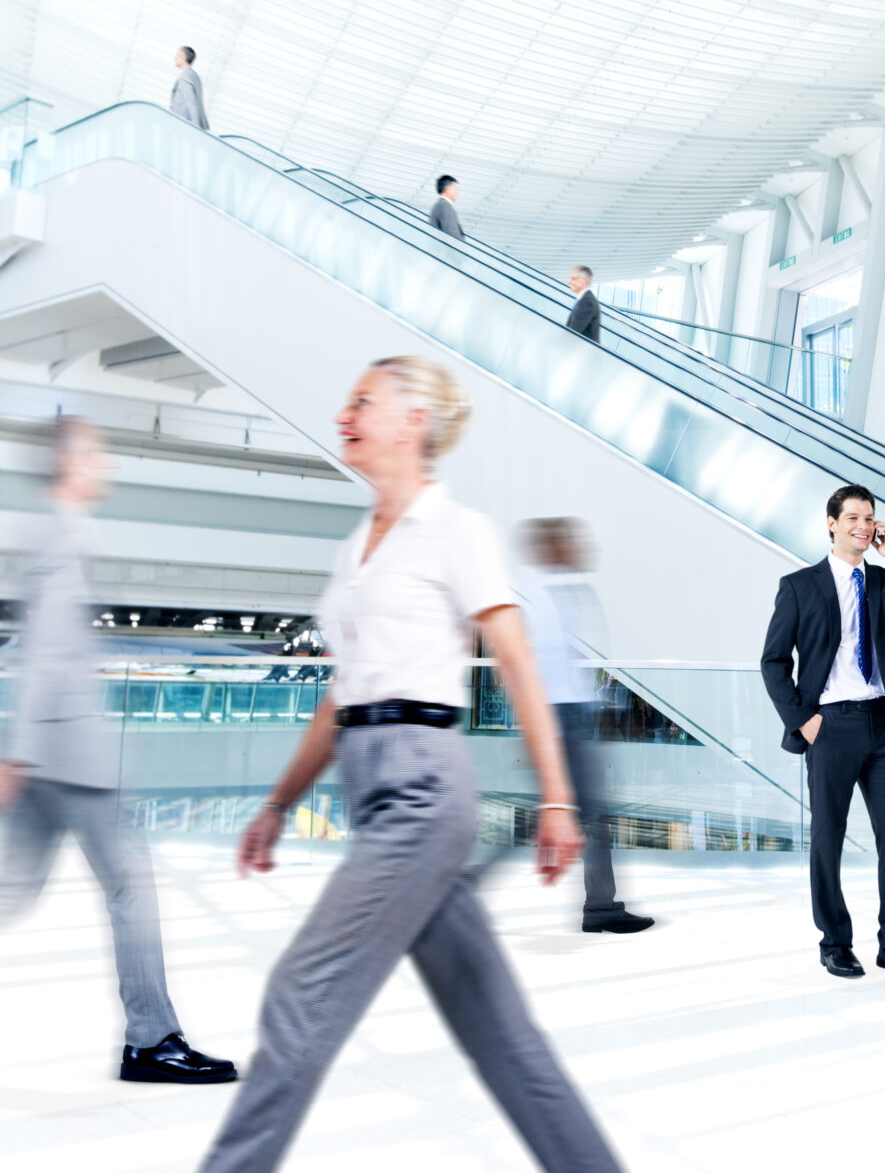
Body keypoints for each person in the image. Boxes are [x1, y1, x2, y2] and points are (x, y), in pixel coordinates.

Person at [196, 356, 620, 1173]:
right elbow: (342, 693)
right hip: (371, 779)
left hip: (424, 790)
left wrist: (559, 800)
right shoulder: (358, 545)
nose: (343, 414)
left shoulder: (459, 532)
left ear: (413, 421)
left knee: (300, 993)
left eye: (362, 401)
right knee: (501, 1035)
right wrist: (280, 803)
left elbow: (518, 663)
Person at [0, 417, 235, 1085]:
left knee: (10, 891)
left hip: (45, 754)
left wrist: (16, 756)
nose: (104, 463)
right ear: (71, 463)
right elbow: (50, 654)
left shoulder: (54, 533)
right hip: (69, 758)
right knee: (130, 888)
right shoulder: (63, 534)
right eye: (96, 452)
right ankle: (152, 1039)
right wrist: (16, 758)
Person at [760, 483, 885, 980]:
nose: (862, 527)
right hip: (831, 725)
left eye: (869, 519)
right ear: (831, 523)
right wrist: (804, 719)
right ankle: (835, 942)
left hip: (883, 722)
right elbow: (773, 662)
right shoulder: (799, 586)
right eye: (853, 519)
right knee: (829, 836)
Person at [501, 517, 654, 934]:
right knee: (572, 816)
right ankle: (459, 890)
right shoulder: (538, 600)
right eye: (569, 541)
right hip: (558, 720)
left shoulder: (565, 594)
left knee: (586, 815)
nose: (579, 547)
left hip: (573, 716)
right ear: (551, 548)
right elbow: (526, 672)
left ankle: (600, 907)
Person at [170, 47, 210, 131]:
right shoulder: (194, 75)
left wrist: (196, 128)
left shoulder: (185, 75)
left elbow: (191, 102)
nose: (174, 58)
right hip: (187, 124)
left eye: (177, 55)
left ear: (183, 57)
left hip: (184, 125)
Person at [566, 266, 601, 344]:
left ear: (584, 281)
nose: (569, 282)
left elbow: (573, 332)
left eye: (573, 279)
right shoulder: (586, 299)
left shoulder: (587, 301)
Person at [429, 174, 465, 239]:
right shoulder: (445, 206)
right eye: (455, 189)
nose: (457, 193)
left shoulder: (439, 205)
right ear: (447, 188)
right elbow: (452, 233)